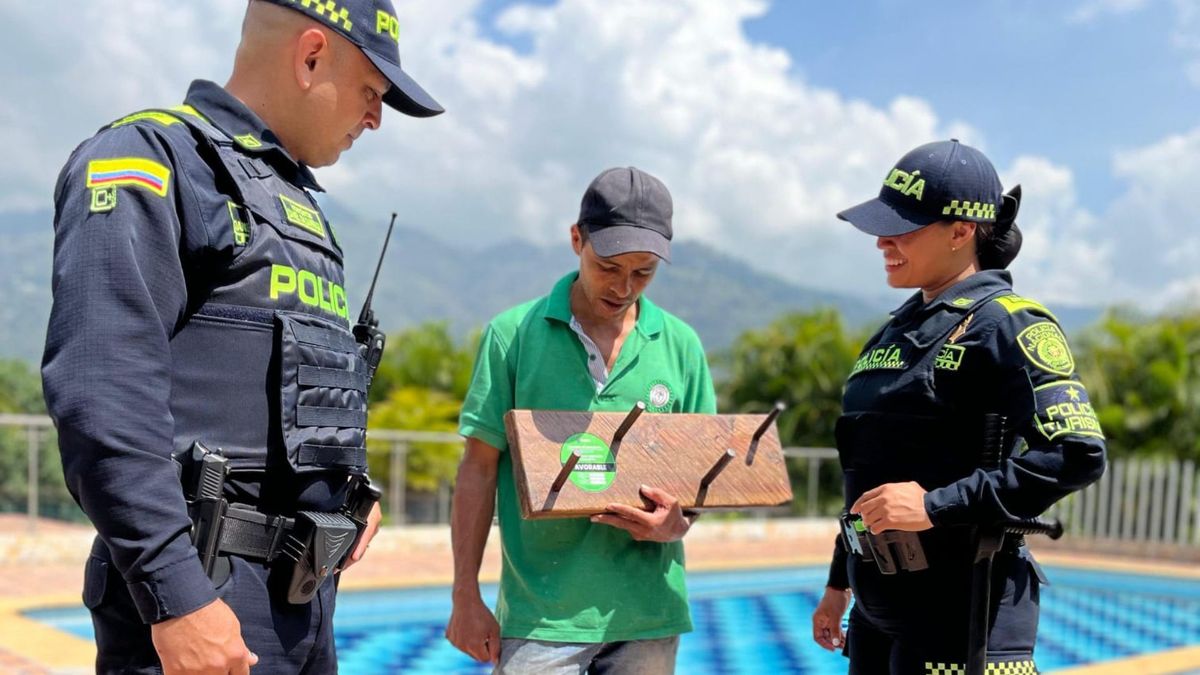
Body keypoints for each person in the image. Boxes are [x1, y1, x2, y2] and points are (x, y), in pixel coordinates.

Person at [42, 1, 442, 672]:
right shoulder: (153, 159)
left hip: (302, 601)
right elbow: (101, 395)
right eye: (372, 92)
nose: (375, 118)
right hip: (205, 597)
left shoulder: (298, 208)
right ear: (311, 54)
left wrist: (345, 485)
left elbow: (276, 379)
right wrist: (176, 596)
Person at [811, 140, 1107, 674]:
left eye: (904, 226)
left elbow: (1075, 453)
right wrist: (839, 582)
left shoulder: (1010, 323)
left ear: (962, 230)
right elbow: (870, 470)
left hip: (966, 625)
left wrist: (934, 506)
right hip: (881, 623)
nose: (882, 240)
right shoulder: (896, 330)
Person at [446, 166, 717, 674]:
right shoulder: (513, 336)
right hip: (540, 617)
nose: (624, 287)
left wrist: (677, 524)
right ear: (577, 239)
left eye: (644, 272)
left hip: (649, 616)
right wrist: (465, 595)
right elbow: (478, 470)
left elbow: (702, 477)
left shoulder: (682, 346)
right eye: (609, 267)